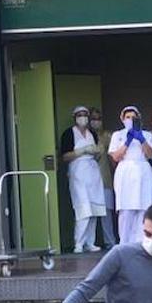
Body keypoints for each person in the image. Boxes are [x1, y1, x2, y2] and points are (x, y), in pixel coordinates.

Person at [60, 105, 109, 254]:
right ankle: (78, 243)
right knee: (83, 209)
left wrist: (96, 151)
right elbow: (64, 156)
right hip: (78, 172)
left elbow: (97, 153)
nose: (83, 118)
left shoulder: (92, 133)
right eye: (80, 115)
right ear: (75, 117)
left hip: (93, 172)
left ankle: (90, 242)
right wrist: (82, 151)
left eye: (85, 115)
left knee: (94, 210)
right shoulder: (69, 133)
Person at [110, 105, 152, 244]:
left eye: (134, 117)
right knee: (126, 211)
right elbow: (116, 157)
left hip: (143, 171)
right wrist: (128, 141)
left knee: (144, 209)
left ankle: (142, 243)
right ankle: (124, 244)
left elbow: (150, 155)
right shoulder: (117, 135)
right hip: (125, 172)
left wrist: (141, 139)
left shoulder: (147, 135)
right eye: (128, 117)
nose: (131, 119)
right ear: (122, 119)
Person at [89, 108, 117, 246]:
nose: (96, 121)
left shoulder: (107, 135)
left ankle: (110, 242)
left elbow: (113, 157)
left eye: (98, 118)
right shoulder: (85, 136)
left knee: (107, 212)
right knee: (90, 212)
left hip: (105, 178)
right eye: (93, 118)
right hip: (88, 179)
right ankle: (90, 243)